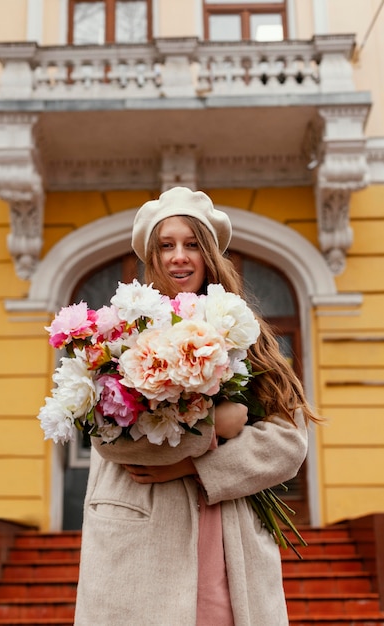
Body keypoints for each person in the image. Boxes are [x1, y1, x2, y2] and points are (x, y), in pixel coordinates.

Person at [74, 186, 316, 626]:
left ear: (208, 254)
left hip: (227, 536)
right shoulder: (120, 330)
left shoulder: (245, 331)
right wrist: (212, 428)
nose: (178, 257)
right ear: (152, 257)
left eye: (191, 244)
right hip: (140, 535)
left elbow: (289, 441)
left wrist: (193, 466)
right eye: (166, 246)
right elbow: (110, 439)